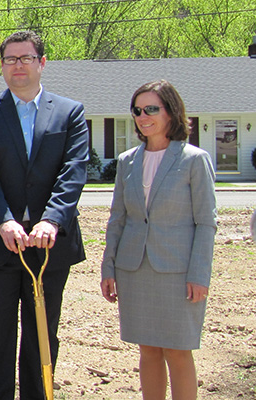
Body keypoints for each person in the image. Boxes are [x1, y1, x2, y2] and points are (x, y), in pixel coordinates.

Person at [0, 30, 89, 400]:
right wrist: (4, 219)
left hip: (48, 245)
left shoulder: (70, 112)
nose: (18, 65)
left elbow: (74, 169)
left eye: (26, 58)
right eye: (10, 59)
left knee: (42, 334)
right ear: (2, 66)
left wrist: (52, 218)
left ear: (42, 63)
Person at [100, 80, 216, 400]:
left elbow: (206, 223)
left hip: (178, 273)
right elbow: (118, 219)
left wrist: (199, 274)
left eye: (151, 108)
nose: (143, 116)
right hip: (134, 270)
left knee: (178, 352)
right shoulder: (126, 162)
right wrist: (108, 268)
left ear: (171, 111)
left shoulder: (194, 159)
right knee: (148, 350)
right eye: (137, 110)